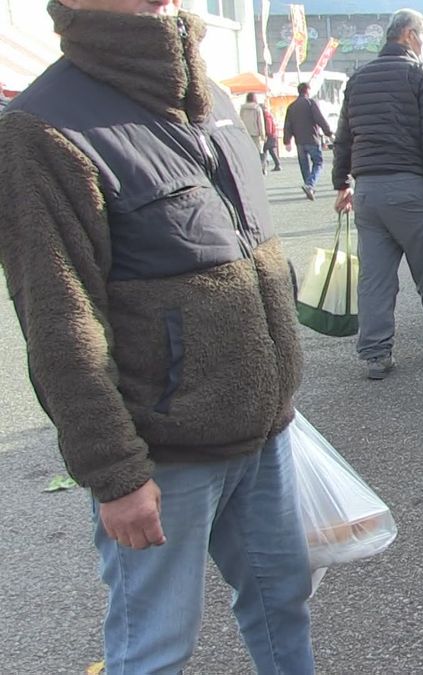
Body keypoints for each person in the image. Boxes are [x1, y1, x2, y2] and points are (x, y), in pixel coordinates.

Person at [0, 2, 313, 674]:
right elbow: (60, 320)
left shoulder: (215, 100)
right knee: (155, 647)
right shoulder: (42, 126)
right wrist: (115, 472)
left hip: (264, 433)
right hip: (164, 454)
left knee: (283, 601)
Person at [332, 9, 423, 380]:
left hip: (367, 192)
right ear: (410, 35)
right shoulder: (421, 74)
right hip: (409, 186)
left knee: (375, 277)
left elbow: (344, 137)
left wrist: (341, 184)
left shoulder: (358, 78)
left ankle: (375, 354)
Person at [284, 81, 333, 200]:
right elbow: (319, 119)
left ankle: (308, 186)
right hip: (312, 138)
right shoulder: (311, 103)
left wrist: (287, 141)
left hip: (299, 141)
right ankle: (310, 185)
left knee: (304, 165)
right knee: (318, 162)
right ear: (307, 90)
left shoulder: (291, 106)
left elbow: (288, 125)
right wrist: (328, 133)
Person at [239, 92, 266, 172]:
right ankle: (260, 168)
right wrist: (263, 135)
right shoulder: (257, 108)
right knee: (258, 152)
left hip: (245, 133)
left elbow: (240, 121)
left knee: (248, 152)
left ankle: (249, 169)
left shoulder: (242, 108)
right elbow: (260, 123)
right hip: (255, 134)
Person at [263, 104, 282, 171]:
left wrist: (267, 134)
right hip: (272, 135)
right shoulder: (268, 115)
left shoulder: (266, 116)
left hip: (270, 136)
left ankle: (265, 165)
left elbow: (268, 127)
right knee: (271, 151)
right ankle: (277, 164)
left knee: (265, 150)